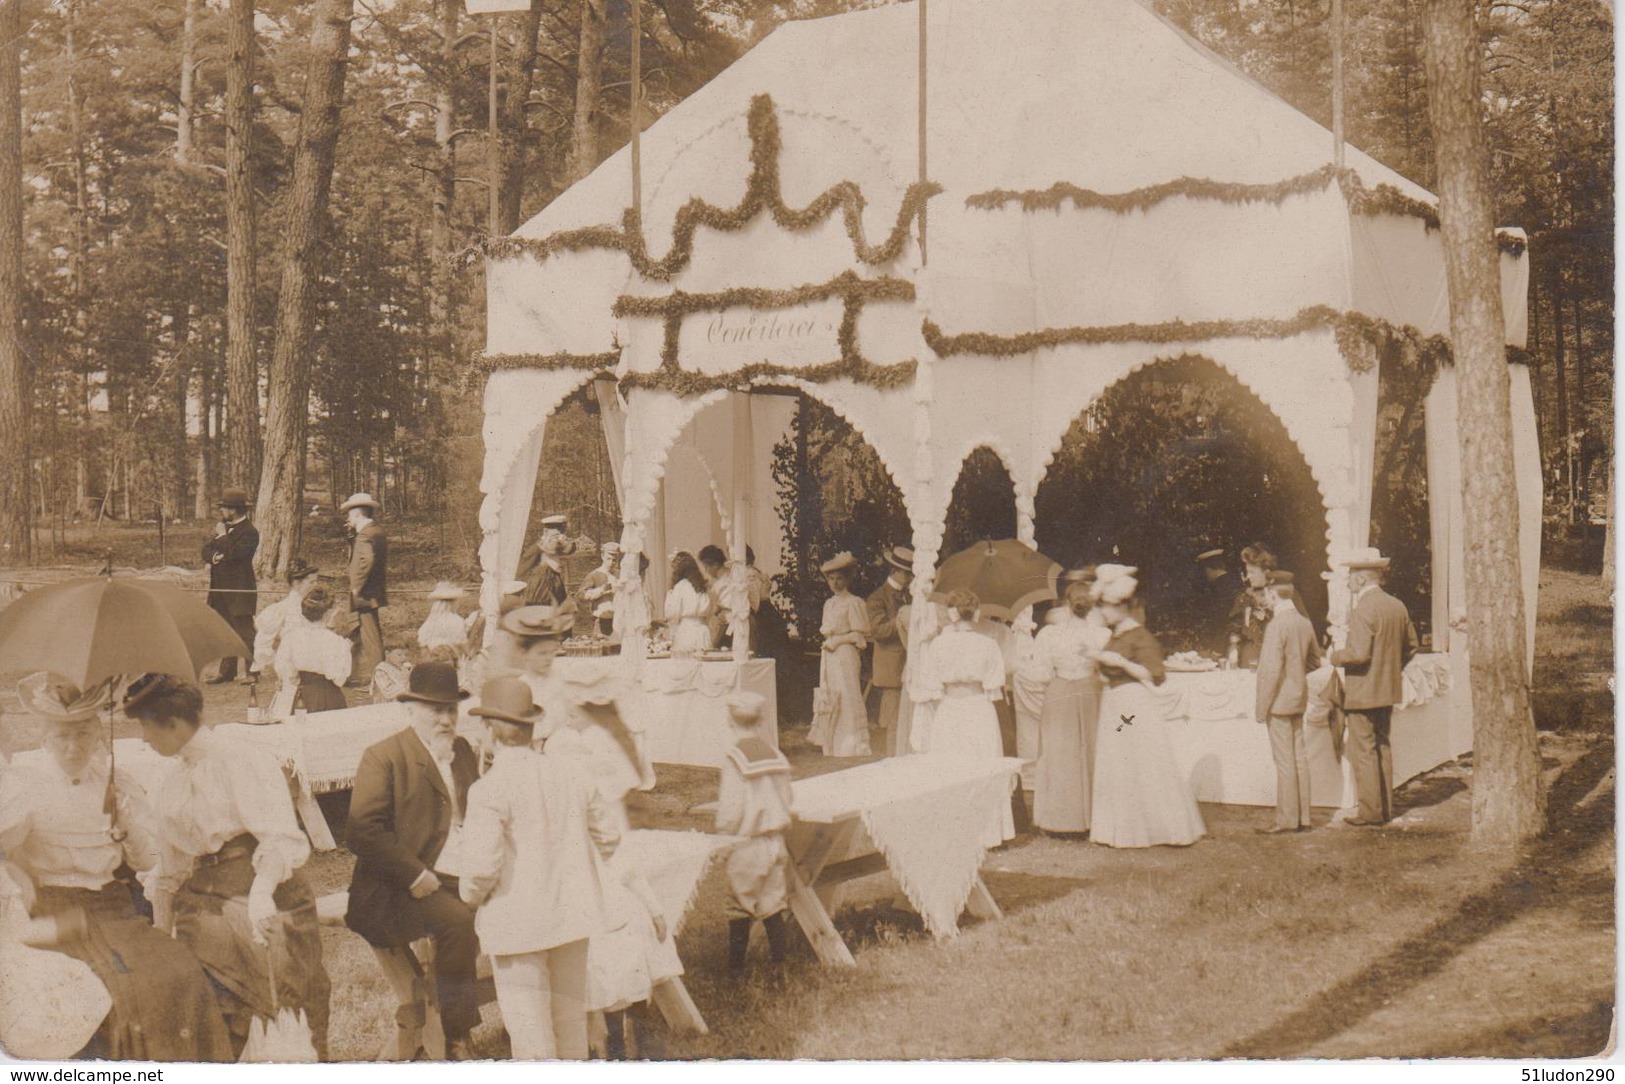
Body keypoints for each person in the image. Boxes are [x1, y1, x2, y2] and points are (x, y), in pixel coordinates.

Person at [0, 674, 233, 1061]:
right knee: (121, 988)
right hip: (56, 909)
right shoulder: (25, 789)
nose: (74, 748)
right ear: (44, 741)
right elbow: (6, 854)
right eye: (62, 737)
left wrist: (126, 831)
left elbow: (147, 862)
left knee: (179, 970)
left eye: (84, 736)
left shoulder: (116, 784)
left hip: (114, 907)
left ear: (98, 738)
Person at [126, 673, 332, 1057]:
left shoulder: (239, 759)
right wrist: (161, 937)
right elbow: (169, 874)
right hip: (201, 904)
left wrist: (261, 894)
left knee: (284, 1003)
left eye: (145, 726)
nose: (143, 738)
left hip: (263, 890)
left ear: (173, 724)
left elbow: (278, 837)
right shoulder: (167, 781)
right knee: (197, 1002)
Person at [460, 677, 619, 1061]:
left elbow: (482, 868)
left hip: (518, 923)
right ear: (531, 726)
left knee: (532, 1038)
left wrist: (470, 897)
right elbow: (610, 836)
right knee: (570, 1027)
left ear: (489, 731)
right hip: (571, 917)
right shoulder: (571, 774)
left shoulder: (489, 788)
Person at [344, 662, 481, 1061]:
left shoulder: (463, 752)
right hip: (397, 885)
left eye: (451, 709)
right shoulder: (384, 756)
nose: (445, 719)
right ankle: (457, 1038)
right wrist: (415, 873)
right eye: (435, 710)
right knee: (457, 922)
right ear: (409, 710)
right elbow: (363, 832)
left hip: (461, 871)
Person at [1087, 566, 1206, 849]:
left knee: (1139, 762)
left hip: (1133, 706)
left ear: (1121, 608)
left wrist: (1119, 663)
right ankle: (1120, 829)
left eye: (1107, 608)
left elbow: (1154, 675)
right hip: (1114, 703)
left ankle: (1155, 827)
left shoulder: (1140, 636)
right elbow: (1107, 673)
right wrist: (1099, 666)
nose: (1103, 613)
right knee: (1119, 761)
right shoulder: (1114, 637)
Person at [914, 589, 1014, 846]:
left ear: (951, 614)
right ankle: (983, 830)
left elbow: (931, 685)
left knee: (952, 766)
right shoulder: (988, 644)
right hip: (978, 708)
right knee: (980, 765)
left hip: (950, 708)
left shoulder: (938, 645)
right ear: (975, 613)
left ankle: (956, 828)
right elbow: (995, 683)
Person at [1328, 548, 1419, 827]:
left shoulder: (1364, 608)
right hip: (1387, 690)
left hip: (1363, 691)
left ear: (1361, 578)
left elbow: (1357, 654)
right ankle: (1384, 808)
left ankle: (1370, 812)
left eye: (1350, 576)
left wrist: (1335, 655)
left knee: (1363, 750)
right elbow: (1412, 646)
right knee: (1382, 745)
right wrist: (1390, 669)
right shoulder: (1396, 605)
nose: (1347, 582)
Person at [715, 691, 793, 980]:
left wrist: (723, 838)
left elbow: (731, 808)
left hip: (746, 842)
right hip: (774, 839)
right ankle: (779, 965)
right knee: (773, 901)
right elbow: (786, 796)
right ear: (761, 720)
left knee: (739, 905)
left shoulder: (735, 758)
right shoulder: (776, 754)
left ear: (730, 721)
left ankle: (735, 970)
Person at [1024, 579, 1110, 835]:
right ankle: (1091, 818)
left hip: (1059, 692)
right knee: (1089, 750)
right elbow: (1106, 670)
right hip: (1090, 692)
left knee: (1058, 752)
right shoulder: (1102, 635)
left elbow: (1040, 673)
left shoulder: (1049, 634)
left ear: (1066, 605)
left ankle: (1058, 820)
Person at [1254, 572, 1323, 834]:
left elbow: (1270, 670)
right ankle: (1303, 817)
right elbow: (1315, 660)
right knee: (1299, 758)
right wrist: (1295, 676)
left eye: (1268, 595)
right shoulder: (1304, 622)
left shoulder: (1276, 626)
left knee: (1284, 761)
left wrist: (1261, 708)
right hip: (1299, 697)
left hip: (1279, 702)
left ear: (1273, 594)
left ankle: (1286, 820)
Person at [809, 552, 871, 757]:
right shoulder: (829, 604)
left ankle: (852, 745)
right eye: (831, 579)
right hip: (830, 655)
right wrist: (830, 642)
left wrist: (838, 641)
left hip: (845, 653)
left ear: (848, 579)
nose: (835, 583)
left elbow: (859, 634)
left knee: (847, 694)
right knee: (831, 695)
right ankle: (832, 744)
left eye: (839, 578)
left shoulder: (854, 602)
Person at [202, 487, 259, 684]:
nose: (221, 511)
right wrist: (216, 557)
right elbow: (206, 550)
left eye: (224, 507)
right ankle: (227, 672)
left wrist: (223, 538)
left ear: (233, 510)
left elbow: (237, 556)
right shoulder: (224, 529)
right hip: (220, 590)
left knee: (245, 631)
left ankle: (252, 672)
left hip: (239, 590)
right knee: (225, 630)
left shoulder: (250, 532)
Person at [252, 558, 321, 709]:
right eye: (311, 582)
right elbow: (263, 642)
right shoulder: (282, 609)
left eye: (316, 581)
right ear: (296, 584)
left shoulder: (317, 607)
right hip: (291, 670)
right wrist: (277, 658)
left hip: (315, 672)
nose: (316, 586)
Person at [272, 585, 352, 714]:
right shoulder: (335, 641)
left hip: (301, 695)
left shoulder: (291, 637)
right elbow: (340, 678)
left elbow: (287, 672)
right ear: (327, 614)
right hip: (327, 695)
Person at [1228, 544, 1311, 668]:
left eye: (1252, 572)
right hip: (1249, 661)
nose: (1248, 576)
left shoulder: (1286, 595)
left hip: (1279, 660)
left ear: (1266, 572)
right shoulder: (1244, 598)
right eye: (1247, 572)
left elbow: (1303, 627)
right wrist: (1233, 649)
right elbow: (1234, 629)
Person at [866, 545, 914, 756]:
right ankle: (892, 760)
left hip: (909, 664)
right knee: (894, 721)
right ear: (895, 571)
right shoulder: (877, 598)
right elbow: (878, 631)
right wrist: (901, 620)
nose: (911, 577)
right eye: (908, 573)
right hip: (892, 667)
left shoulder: (909, 596)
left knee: (909, 719)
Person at [342, 493, 389, 687]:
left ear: (358, 514)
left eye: (350, 516)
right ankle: (350, 673)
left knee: (370, 637)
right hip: (374, 590)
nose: (348, 519)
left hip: (364, 593)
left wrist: (356, 587)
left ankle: (380, 679)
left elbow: (366, 560)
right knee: (355, 632)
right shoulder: (376, 531)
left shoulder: (365, 535)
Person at [663, 551, 713, 656]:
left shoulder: (680, 586)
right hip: (703, 631)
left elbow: (672, 613)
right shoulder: (701, 587)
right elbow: (708, 611)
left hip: (687, 631)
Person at [520, 514, 575, 609]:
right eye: (556, 533)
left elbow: (569, 549)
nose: (560, 536)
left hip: (553, 579)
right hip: (542, 580)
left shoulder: (556, 541)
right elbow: (525, 565)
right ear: (545, 531)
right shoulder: (542, 544)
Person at [419, 582, 471, 658]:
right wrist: (470, 654)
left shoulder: (430, 621)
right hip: (451, 658)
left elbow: (423, 646)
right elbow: (462, 642)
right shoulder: (456, 620)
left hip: (432, 657)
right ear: (452, 603)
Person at [577, 543, 621, 630]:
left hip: (620, 619)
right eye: (608, 559)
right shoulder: (594, 575)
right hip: (602, 620)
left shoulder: (620, 574)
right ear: (602, 556)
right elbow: (581, 595)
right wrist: (601, 590)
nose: (611, 562)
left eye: (614, 560)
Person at [371, 640, 414, 705]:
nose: (404, 658)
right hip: (386, 705)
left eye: (406, 654)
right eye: (399, 655)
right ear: (387, 654)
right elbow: (388, 693)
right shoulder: (381, 670)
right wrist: (405, 679)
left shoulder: (402, 667)